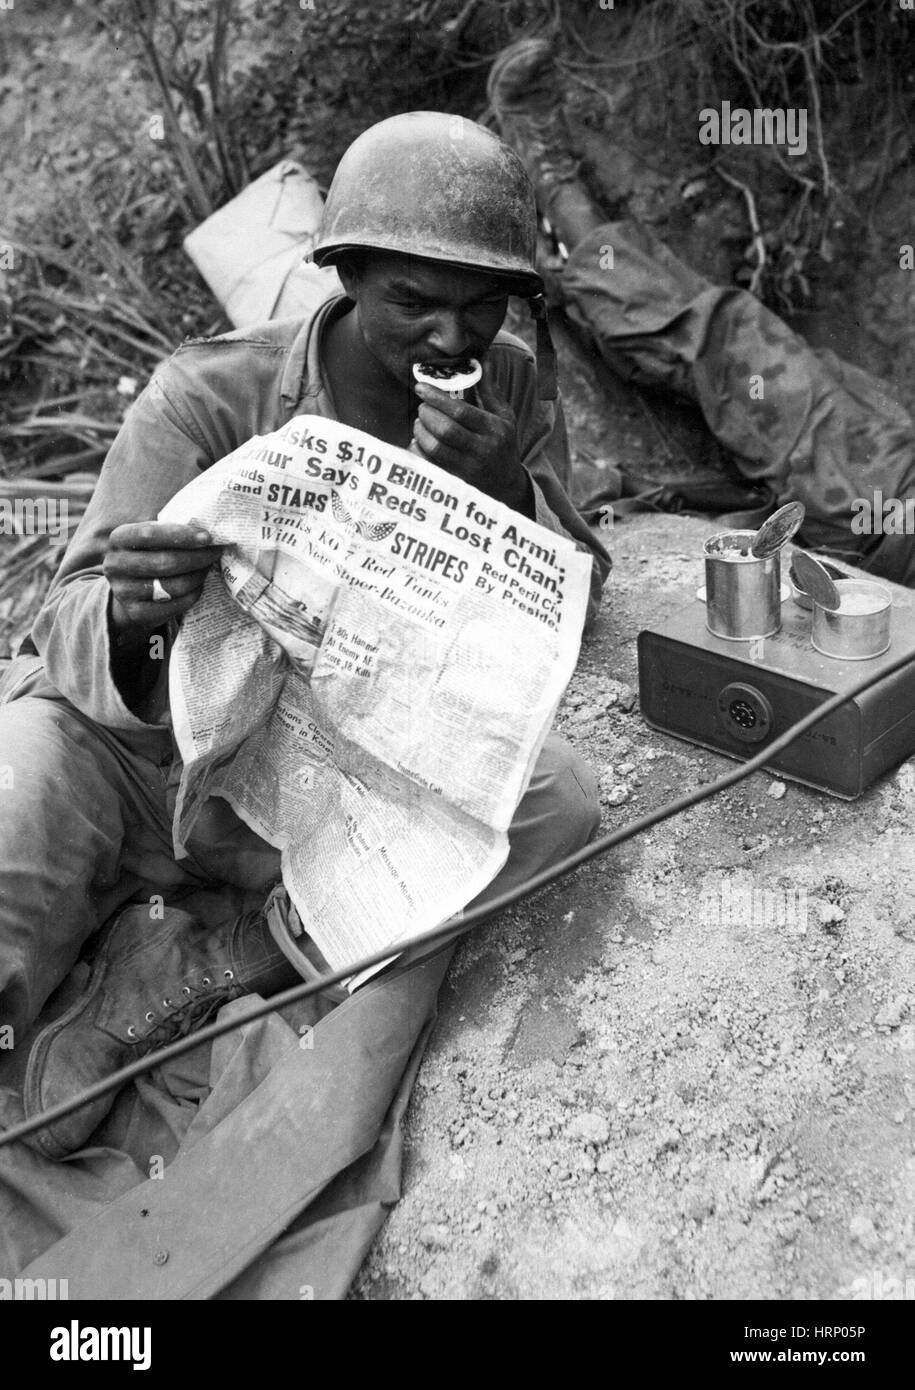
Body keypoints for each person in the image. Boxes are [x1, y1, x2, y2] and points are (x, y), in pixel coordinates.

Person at [0, 111, 610, 1160]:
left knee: (556, 804)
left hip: (304, 766)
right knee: (14, 819)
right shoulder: (208, 394)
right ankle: (71, 964)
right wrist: (135, 608)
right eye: (412, 303)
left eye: (482, 309)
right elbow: (65, 619)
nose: (453, 342)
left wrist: (505, 489)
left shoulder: (504, 384)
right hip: (131, 755)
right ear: (347, 276)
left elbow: (573, 595)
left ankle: (207, 960)